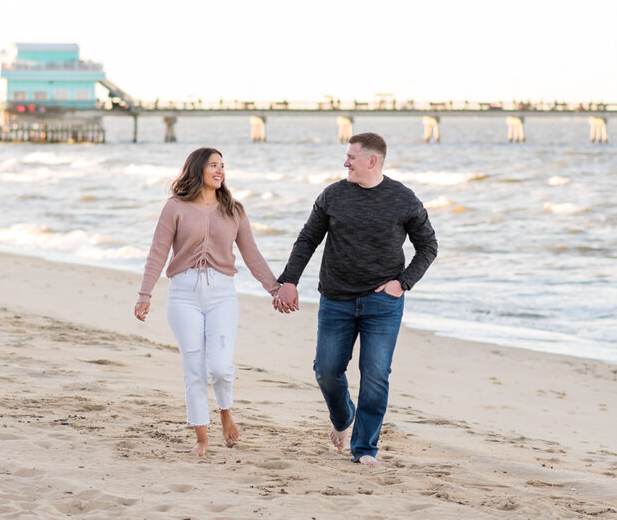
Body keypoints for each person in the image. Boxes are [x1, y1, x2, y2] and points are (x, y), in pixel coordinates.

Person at [273, 132, 437, 466]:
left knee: (375, 375)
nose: (345, 162)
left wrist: (402, 283)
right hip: (336, 299)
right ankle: (343, 417)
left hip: (383, 303)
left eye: (351, 157)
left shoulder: (403, 199)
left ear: (371, 161)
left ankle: (364, 449)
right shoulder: (332, 195)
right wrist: (288, 280)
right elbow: (307, 240)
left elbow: (428, 246)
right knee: (327, 371)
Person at [135, 147, 280, 456]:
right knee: (195, 367)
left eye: (223, 166)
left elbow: (251, 254)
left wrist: (275, 289)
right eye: (214, 165)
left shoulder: (234, 209)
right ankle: (201, 436)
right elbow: (158, 253)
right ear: (198, 168)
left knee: (221, 367)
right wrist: (145, 294)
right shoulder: (174, 208)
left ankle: (225, 411)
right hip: (183, 293)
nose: (220, 171)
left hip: (222, 293)